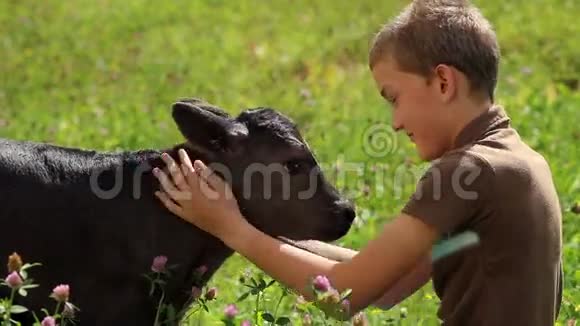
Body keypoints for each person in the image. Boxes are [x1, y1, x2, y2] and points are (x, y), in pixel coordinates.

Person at [152, 0, 563, 324]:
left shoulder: (467, 172)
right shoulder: (520, 161)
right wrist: (254, 223)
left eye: (394, 97)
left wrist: (232, 229)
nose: (396, 122)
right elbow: (388, 284)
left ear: (443, 82)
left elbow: (344, 295)